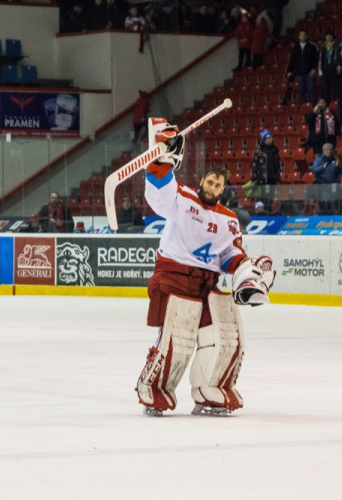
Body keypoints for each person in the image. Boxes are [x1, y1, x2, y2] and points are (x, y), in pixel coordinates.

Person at [135, 118, 274, 417]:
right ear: (202, 182)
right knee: (177, 340)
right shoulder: (182, 198)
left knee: (225, 336)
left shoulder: (229, 218)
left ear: (224, 188)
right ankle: (154, 388)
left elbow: (230, 253)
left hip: (207, 285)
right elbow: (158, 196)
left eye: (219, 184)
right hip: (174, 278)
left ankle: (212, 390)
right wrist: (163, 161)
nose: (213, 186)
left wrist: (247, 270)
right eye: (210, 181)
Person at [286, 30, 319, 104]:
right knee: (301, 91)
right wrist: (289, 71)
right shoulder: (295, 48)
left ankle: (312, 109)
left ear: (307, 36)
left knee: (311, 90)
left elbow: (316, 59)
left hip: (309, 73)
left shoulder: (312, 46)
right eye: (301, 35)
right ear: (299, 36)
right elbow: (291, 61)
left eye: (304, 35)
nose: (303, 36)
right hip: (299, 73)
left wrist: (314, 68)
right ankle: (304, 109)